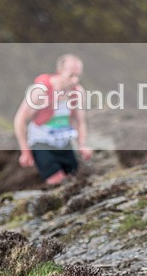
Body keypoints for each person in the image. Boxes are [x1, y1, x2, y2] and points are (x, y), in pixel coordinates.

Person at [14, 54, 92, 185]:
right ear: (60, 71)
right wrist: (25, 151)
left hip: (63, 142)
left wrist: (82, 145)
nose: (75, 80)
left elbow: (80, 122)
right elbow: (19, 119)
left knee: (74, 181)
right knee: (56, 180)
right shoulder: (41, 91)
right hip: (41, 143)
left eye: (78, 76)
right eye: (71, 75)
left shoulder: (77, 92)